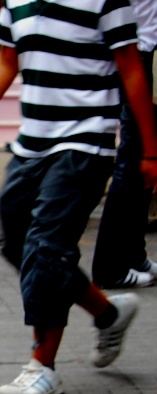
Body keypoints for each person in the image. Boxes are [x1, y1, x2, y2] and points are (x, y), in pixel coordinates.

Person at [0, 0, 157, 394]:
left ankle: (43, 366)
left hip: (86, 143)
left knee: (48, 249)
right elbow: (7, 61)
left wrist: (149, 151)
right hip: (32, 145)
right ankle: (108, 313)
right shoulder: (17, 1)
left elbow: (131, 66)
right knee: (19, 245)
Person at [92, 0, 157, 289]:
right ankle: (110, 268)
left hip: (144, 49)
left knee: (144, 160)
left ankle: (133, 254)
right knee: (134, 157)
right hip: (138, 51)